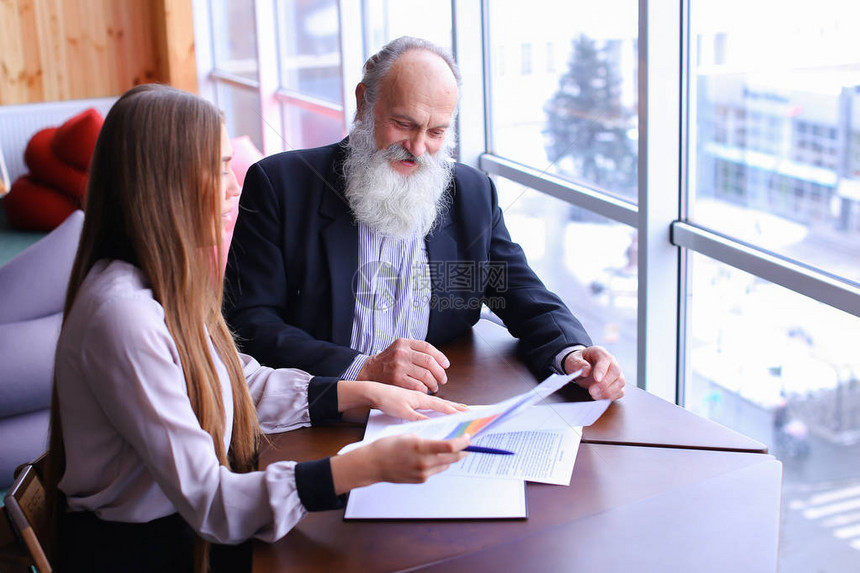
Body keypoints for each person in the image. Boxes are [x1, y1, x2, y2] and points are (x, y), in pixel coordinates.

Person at [46, 83, 471, 573]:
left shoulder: (159, 283)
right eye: (218, 167)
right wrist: (369, 466)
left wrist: (364, 394)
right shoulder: (122, 315)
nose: (234, 184)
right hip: (149, 552)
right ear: (162, 183)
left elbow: (235, 381)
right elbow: (212, 503)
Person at [224, 36, 625, 402]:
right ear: (365, 102)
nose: (418, 148)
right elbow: (249, 321)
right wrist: (362, 369)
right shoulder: (280, 185)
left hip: (439, 403)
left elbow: (525, 296)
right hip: (319, 406)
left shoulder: (472, 193)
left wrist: (573, 353)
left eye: (436, 132)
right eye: (404, 124)